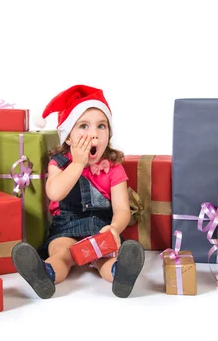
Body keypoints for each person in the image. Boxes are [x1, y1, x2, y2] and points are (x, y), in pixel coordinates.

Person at [11, 84, 145, 299]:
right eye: (83, 126)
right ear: (67, 137)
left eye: (101, 126)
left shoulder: (114, 167)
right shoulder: (59, 163)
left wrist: (114, 228)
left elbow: (121, 208)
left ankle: (120, 273)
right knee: (62, 252)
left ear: (109, 133)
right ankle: (45, 275)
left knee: (104, 257)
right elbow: (55, 193)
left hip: (100, 229)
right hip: (66, 227)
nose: (93, 134)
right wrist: (78, 164)